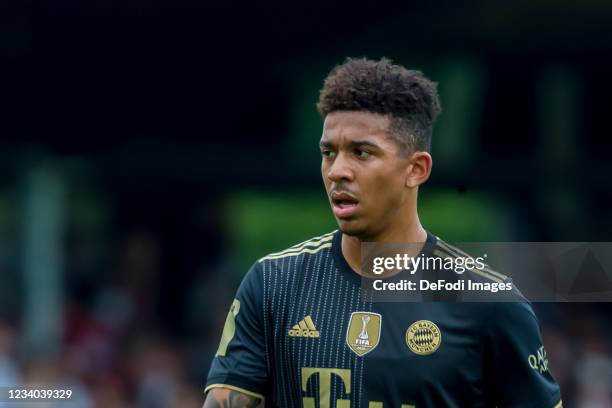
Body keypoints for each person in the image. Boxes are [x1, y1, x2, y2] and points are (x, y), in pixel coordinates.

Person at [203, 58, 562, 407]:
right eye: (329, 153)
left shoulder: (489, 302)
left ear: (416, 169)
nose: (337, 171)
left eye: (361, 153)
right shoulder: (272, 284)